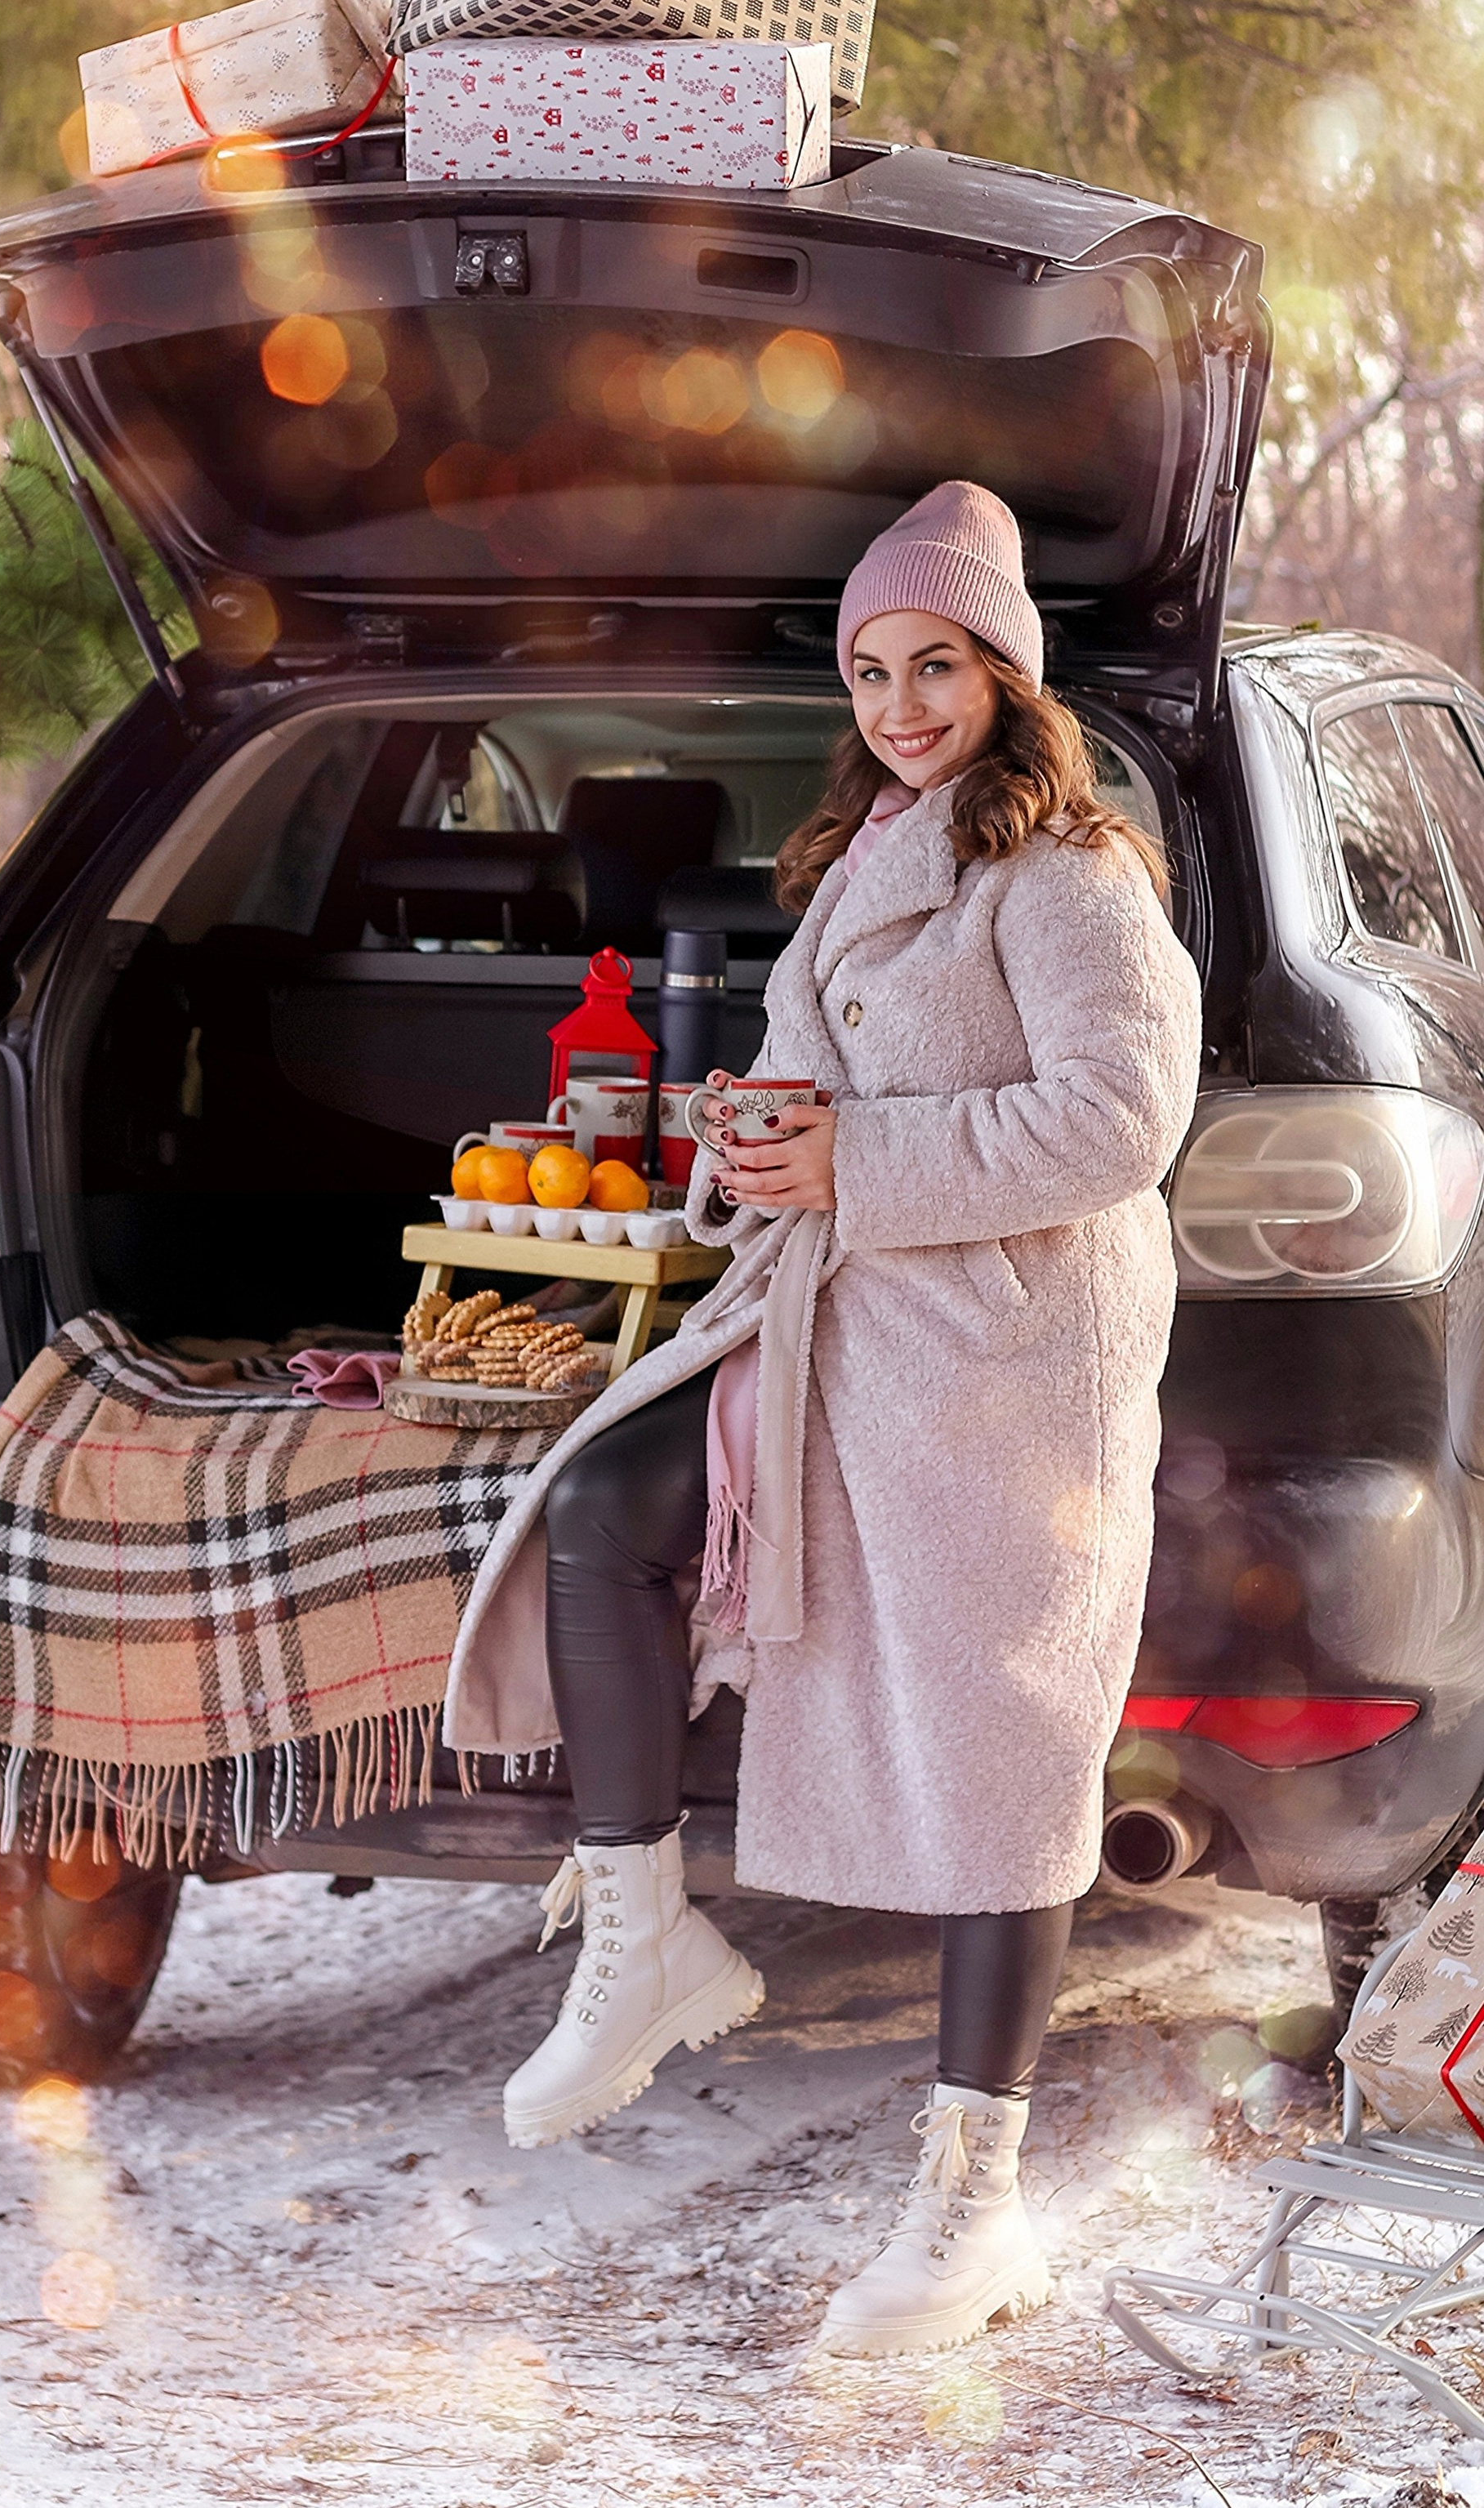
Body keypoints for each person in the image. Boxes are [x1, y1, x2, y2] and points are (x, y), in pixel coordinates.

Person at [442, 479, 1202, 2359]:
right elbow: (797, 1088)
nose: (897, 698)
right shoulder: (863, 857)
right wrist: (747, 1148)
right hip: (841, 1320)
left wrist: (848, 1153)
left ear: (1002, 672)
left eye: (931, 661)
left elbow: (1117, 1125)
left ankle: (974, 2196)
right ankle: (641, 1927)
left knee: (996, 1751)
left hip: (1008, 1366)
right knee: (604, 1498)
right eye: (869, 668)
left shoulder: (1071, 875)